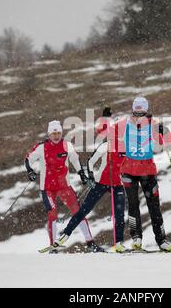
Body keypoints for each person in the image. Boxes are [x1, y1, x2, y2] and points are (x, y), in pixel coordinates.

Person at [53, 107, 127, 253]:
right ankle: (64, 236)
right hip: (100, 183)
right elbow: (90, 162)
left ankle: (118, 243)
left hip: (118, 185)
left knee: (119, 214)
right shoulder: (106, 146)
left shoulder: (127, 148)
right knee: (84, 210)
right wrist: (91, 177)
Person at [24, 120, 102, 253]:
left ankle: (90, 243)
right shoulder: (42, 147)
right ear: (49, 134)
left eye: (59, 132)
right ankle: (53, 247)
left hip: (64, 186)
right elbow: (28, 159)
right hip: (47, 188)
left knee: (78, 212)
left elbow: (75, 160)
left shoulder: (67, 145)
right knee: (52, 214)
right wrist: (30, 171)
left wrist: (82, 174)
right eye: (54, 133)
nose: (56, 135)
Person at [115, 97, 171, 252]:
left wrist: (165, 131)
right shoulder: (123, 124)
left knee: (154, 206)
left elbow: (170, 140)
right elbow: (108, 135)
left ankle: (162, 240)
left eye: (142, 109)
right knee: (133, 205)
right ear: (133, 109)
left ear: (146, 110)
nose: (139, 112)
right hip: (128, 170)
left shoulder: (154, 124)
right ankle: (136, 239)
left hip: (147, 171)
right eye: (136, 109)